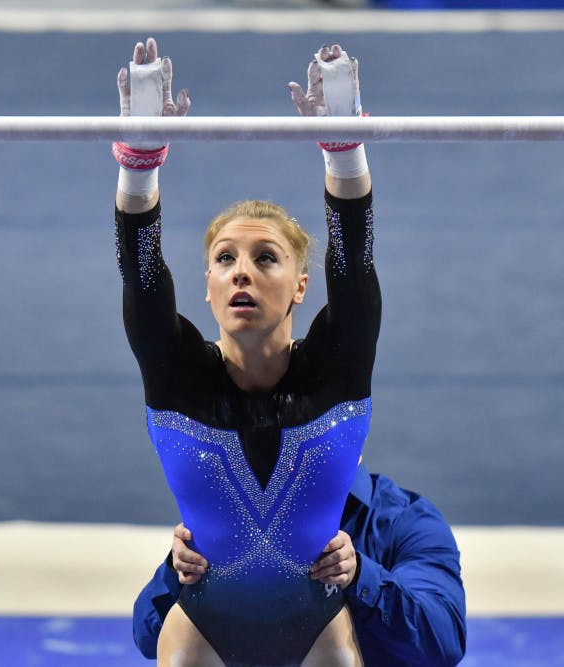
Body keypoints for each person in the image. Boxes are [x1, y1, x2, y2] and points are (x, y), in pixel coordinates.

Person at [114, 37, 380, 666]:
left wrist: (344, 145)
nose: (242, 273)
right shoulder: (179, 374)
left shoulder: (336, 368)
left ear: (300, 286)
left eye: (266, 259)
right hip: (205, 629)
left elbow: (355, 260)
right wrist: (140, 160)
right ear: (205, 285)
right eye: (225, 260)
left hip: (317, 630)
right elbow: (141, 274)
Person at [133, 464, 467, 666]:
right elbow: (146, 636)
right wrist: (181, 569)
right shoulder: (235, 523)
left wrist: (362, 577)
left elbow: (444, 643)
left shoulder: (404, 521)